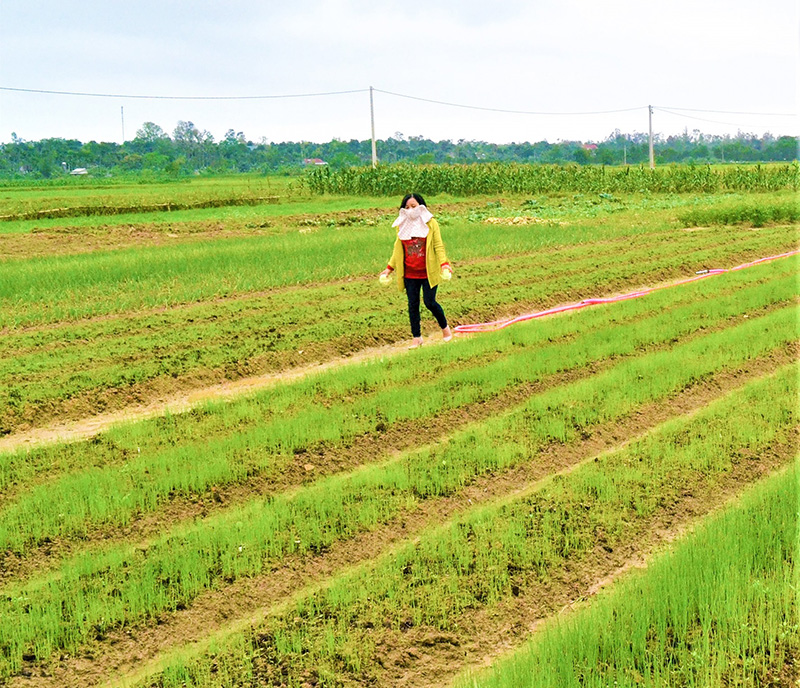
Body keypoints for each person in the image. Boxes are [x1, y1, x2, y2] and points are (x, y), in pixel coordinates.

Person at [380, 193, 453, 347]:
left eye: (413, 206)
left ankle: (445, 329)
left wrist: (444, 264)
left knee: (429, 302)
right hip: (410, 274)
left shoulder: (431, 223)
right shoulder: (401, 225)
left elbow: (438, 246)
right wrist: (389, 269)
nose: (410, 210)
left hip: (427, 272)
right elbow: (397, 249)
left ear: (421, 206)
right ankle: (416, 337)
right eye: (407, 207)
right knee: (412, 305)